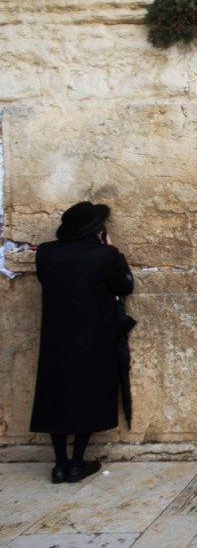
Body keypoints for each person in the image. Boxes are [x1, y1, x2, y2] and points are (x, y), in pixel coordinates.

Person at [30, 201, 134, 484]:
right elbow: (124, 285)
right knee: (87, 396)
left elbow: (46, 280)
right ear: (97, 231)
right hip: (93, 340)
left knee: (56, 396)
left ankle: (59, 465)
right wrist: (115, 252)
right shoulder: (104, 255)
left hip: (56, 338)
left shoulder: (46, 253)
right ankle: (77, 463)